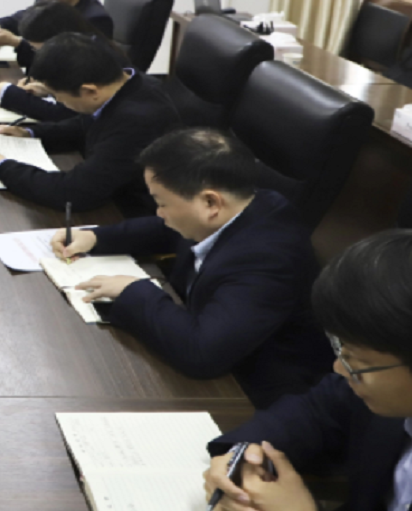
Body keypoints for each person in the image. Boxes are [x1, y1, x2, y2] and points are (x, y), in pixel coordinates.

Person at [202, 228, 412, 511]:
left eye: (357, 364)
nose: (340, 368)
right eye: (341, 351)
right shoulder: (394, 378)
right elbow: (315, 410)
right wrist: (240, 458)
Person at [51, 128, 330, 408]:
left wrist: (134, 290)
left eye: (161, 203)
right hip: (210, 344)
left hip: (250, 393)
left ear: (210, 202)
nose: (159, 212)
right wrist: (96, 237)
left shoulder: (267, 260)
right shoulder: (244, 203)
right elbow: (167, 228)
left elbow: (202, 354)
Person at [0, 32, 178, 215]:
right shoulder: (128, 82)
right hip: (113, 190)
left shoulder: (136, 121)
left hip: (131, 211)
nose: (59, 102)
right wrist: (31, 133)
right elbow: (85, 124)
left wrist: (1, 168)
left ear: (89, 91)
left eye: (58, 97)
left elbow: (74, 193)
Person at [0, 0, 127, 122]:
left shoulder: (90, 60)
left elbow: (67, 115)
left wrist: (5, 91)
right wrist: (50, 89)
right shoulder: (82, 45)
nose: (39, 54)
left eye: (38, 49)